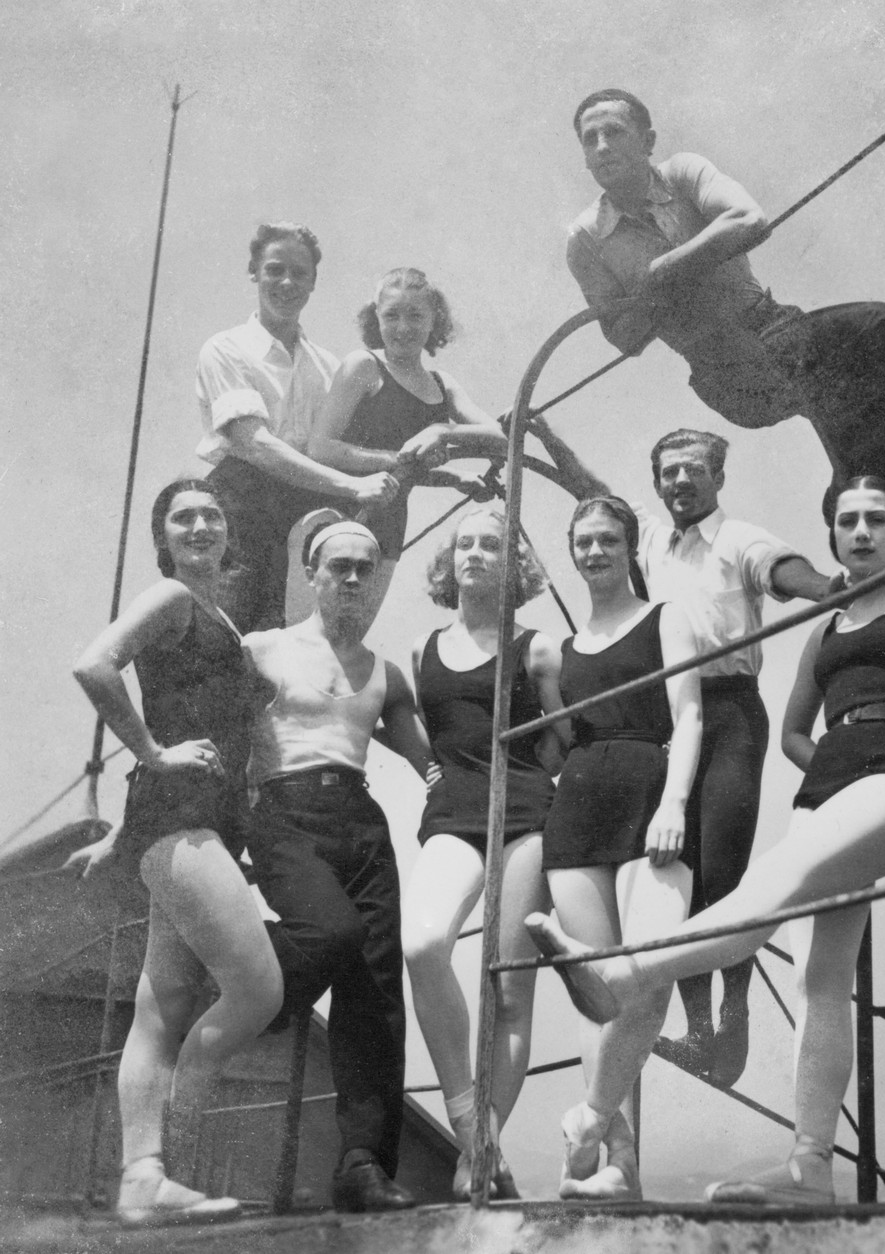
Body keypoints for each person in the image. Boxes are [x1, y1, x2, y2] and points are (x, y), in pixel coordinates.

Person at [526, 477, 885, 1204]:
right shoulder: (824, 632)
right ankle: (811, 1168)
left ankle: (623, 975)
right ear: (833, 535)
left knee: (765, 889)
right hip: (829, 778)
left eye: (876, 520)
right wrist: (832, 765)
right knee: (820, 978)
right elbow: (798, 731)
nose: (862, 533)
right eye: (848, 522)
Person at [531, 414, 833, 1087]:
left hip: (726, 713)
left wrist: (830, 591)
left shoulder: (737, 537)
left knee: (722, 861)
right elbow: (591, 492)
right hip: (665, 719)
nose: (681, 480)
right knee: (683, 870)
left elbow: (784, 570)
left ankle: (733, 1018)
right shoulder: (649, 543)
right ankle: (700, 1033)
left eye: (694, 468)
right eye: (669, 471)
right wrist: (545, 441)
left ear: (718, 476)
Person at [564, 88, 885, 578]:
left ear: (648, 140)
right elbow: (622, 336)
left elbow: (749, 219)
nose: (602, 147)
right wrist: (661, 294)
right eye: (589, 139)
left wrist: (666, 269)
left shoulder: (682, 173)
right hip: (729, 375)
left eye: (613, 132)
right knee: (878, 327)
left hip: (778, 328)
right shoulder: (585, 240)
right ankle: (854, 492)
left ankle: (873, 517)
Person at [72, 479, 283, 1226]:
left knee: (159, 1011)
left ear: (230, 533)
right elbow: (95, 664)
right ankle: (178, 1145)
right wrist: (154, 752)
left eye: (212, 514)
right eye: (182, 516)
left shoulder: (217, 614)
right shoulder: (170, 598)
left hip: (183, 823)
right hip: (182, 820)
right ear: (164, 535)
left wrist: (120, 835)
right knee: (258, 991)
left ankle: (143, 1178)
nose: (200, 524)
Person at [242, 518, 431, 1212]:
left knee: (377, 993)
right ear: (311, 574)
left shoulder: (385, 673)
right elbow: (225, 738)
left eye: (365, 568)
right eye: (339, 567)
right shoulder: (262, 649)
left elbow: (433, 764)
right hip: (284, 812)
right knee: (334, 933)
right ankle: (244, 990)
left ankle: (361, 1162)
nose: (352, 578)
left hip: (360, 816)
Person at [539, 495, 702, 1201]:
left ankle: (589, 1121)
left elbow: (690, 714)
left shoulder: (666, 619)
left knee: (648, 972)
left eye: (608, 540)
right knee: (593, 994)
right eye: (584, 542)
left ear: (629, 546)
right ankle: (616, 1165)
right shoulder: (558, 648)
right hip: (576, 812)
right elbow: (552, 737)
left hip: (649, 797)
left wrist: (675, 802)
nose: (595, 552)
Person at [402, 505, 566, 1200]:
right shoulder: (421, 650)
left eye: (491, 544)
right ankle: (471, 1123)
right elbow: (416, 730)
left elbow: (561, 743)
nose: (474, 553)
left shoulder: (538, 646)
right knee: (422, 944)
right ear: (449, 561)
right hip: (454, 815)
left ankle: (482, 1148)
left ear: (512, 562)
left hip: (526, 815)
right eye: (464, 543)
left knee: (508, 990)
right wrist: (431, 771)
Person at [196, 222, 400, 633]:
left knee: (301, 647)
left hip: (308, 513)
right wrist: (352, 487)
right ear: (253, 271)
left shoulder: (329, 367)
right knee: (233, 638)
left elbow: (358, 449)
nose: (286, 282)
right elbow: (254, 444)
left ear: (313, 282)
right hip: (242, 510)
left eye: (299, 273)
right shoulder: (225, 349)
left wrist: (447, 469)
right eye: (274, 269)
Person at [308, 267, 508, 602]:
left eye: (415, 315)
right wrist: (400, 457)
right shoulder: (364, 366)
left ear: (434, 320)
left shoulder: (442, 385)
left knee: (354, 630)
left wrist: (442, 434)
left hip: (390, 524)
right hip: (342, 513)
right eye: (392, 315)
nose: (403, 327)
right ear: (377, 319)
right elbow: (320, 448)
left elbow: (501, 439)